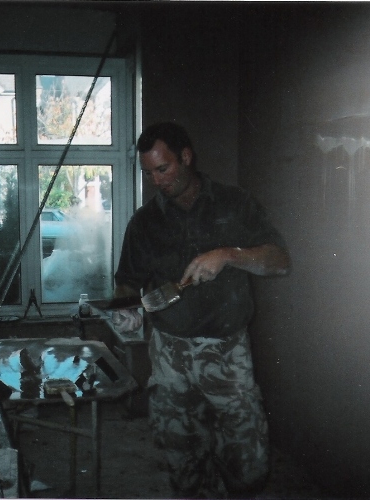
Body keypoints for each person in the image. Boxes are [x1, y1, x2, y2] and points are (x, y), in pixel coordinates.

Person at [112, 122, 291, 498]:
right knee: (182, 462)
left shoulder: (235, 204)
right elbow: (127, 281)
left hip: (227, 353)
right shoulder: (144, 223)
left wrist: (228, 255)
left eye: (163, 169)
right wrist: (126, 307)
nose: (156, 181)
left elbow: (279, 261)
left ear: (186, 157)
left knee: (248, 465)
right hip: (169, 356)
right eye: (148, 173)